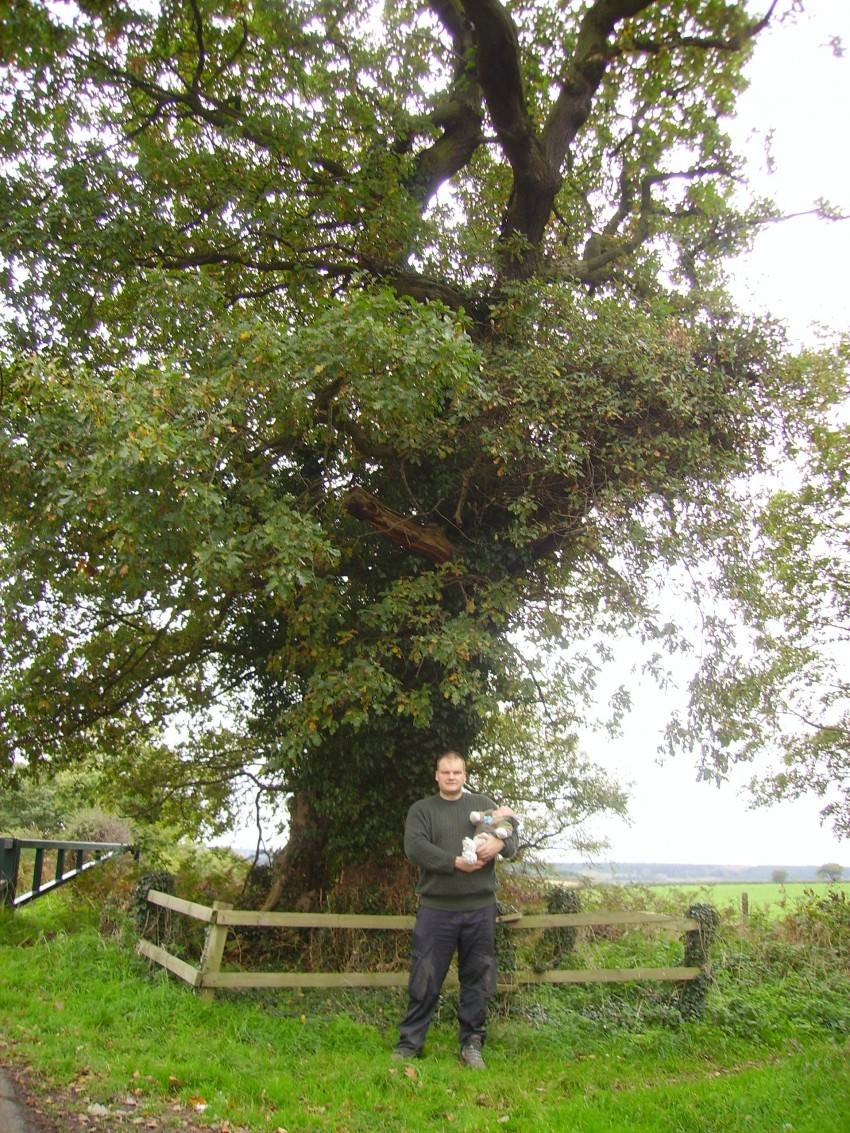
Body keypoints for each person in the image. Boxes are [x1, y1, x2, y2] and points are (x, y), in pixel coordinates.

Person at [393, 750, 518, 1069]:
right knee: (425, 976)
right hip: (436, 910)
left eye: (457, 772)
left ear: (464, 775)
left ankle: (472, 1044)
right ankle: (410, 1043)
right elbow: (415, 848)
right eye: (445, 772)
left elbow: (511, 840)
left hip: (480, 909)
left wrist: (499, 844)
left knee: (477, 978)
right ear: (436, 776)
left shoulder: (482, 805)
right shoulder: (422, 810)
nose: (451, 777)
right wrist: (453, 863)